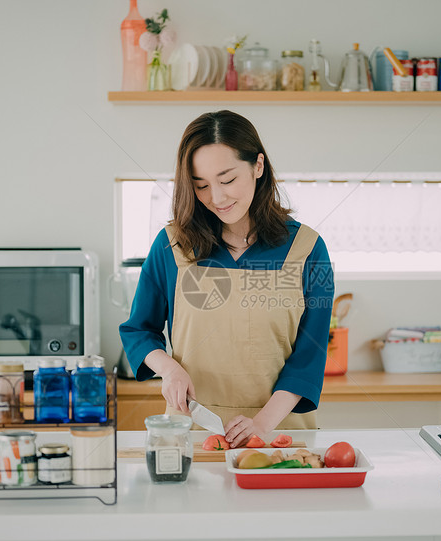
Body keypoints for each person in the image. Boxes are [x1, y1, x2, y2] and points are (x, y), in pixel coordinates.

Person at [119, 110, 334, 447]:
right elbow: (138, 330)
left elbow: (310, 355)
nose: (216, 198)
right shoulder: (172, 245)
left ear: (258, 167)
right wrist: (169, 369)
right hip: (190, 433)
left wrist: (260, 426)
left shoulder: (307, 249)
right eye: (201, 185)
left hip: (279, 434)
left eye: (228, 179)